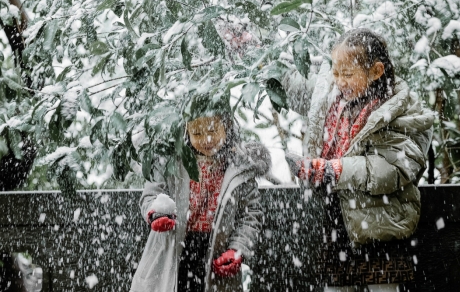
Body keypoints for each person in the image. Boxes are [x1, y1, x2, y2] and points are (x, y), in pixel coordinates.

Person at [284, 28, 433, 292]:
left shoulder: (397, 108)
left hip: (381, 224)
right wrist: (263, 63)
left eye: (348, 74)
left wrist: (334, 170)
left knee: (383, 286)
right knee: (336, 286)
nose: (339, 81)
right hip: (336, 221)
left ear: (376, 71)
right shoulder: (333, 97)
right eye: (336, 73)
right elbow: (293, 88)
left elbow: (394, 167)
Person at [130, 94, 271, 292]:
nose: (207, 139)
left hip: (215, 253)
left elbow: (250, 215)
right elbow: (152, 193)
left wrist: (237, 248)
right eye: (197, 133)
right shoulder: (172, 160)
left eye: (213, 130)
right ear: (185, 130)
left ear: (228, 125)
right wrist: (158, 213)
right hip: (172, 251)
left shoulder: (240, 166)